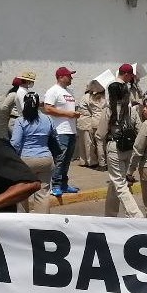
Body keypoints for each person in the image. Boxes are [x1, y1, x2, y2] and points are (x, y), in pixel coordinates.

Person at [103, 81, 145, 218]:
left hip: (114, 148)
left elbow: (99, 133)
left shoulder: (109, 110)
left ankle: (135, 215)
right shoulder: (131, 110)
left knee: (120, 184)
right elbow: (140, 129)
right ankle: (110, 215)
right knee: (115, 182)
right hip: (129, 148)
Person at [9, 92, 55, 214]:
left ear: (24, 103)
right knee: (43, 193)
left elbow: (15, 143)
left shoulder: (20, 120)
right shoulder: (48, 119)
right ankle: (42, 223)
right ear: (39, 104)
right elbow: (54, 136)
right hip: (46, 158)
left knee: (22, 193)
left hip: (26, 160)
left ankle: (23, 221)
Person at [44, 66, 82, 198]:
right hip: (59, 131)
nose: (71, 78)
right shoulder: (53, 91)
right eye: (69, 75)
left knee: (67, 160)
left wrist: (74, 116)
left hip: (70, 130)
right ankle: (55, 186)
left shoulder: (69, 91)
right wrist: (68, 114)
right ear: (60, 77)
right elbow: (48, 109)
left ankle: (64, 184)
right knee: (59, 159)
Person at [76, 80, 107, 169]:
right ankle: (92, 161)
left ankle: (86, 161)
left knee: (86, 143)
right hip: (90, 121)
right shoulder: (102, 98)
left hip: (87, 121)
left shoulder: (88, 97)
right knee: (92, 143)